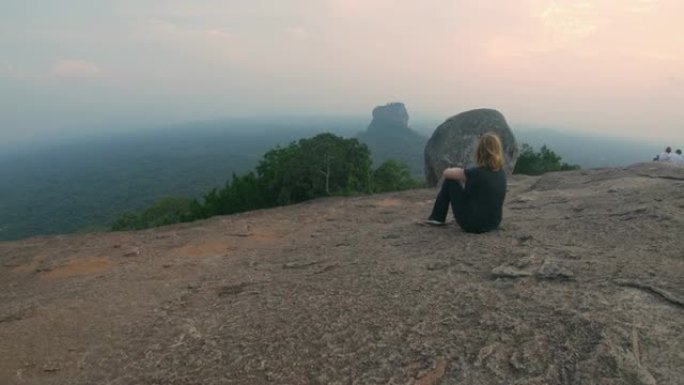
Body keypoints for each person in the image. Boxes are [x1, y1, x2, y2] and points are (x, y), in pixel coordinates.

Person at [425, 132, 507, 233]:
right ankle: (437, 217)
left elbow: (446, 173)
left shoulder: (475, 173)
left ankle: (437, 217)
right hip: (493, 223)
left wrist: (457, 170)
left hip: (472, 225)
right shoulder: (501, 173)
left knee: (450, 181)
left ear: (480, 151)